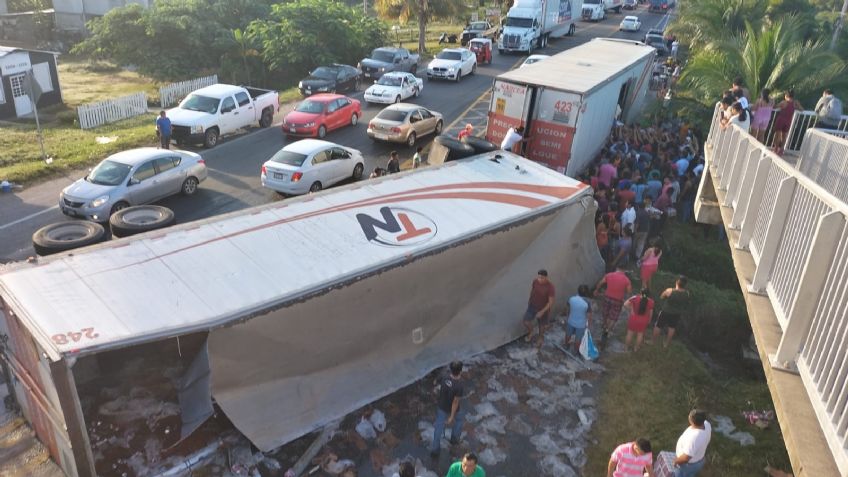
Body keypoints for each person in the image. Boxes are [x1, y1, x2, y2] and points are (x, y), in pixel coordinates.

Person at [430, 361, 465, 456]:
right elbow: (455, 402)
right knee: (459, 421)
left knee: (438, 428)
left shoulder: (444, 376)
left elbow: (435, 382)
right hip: (453, 408)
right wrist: (451, 417)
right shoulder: (459, 385)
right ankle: (454, 440)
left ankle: (435, 450)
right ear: (460, 371)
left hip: (442, 406)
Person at [594, 264, 632, 341]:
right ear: (624, 270)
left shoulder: (609, 275)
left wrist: (596, 290)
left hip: (607, 298)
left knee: (605, 312)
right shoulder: (626, 280)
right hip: (618, 300)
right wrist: (626, 299)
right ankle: (607, 330)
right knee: (613, 317)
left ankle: (604, 325)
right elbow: (629, 292)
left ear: (617, 268)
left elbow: (600, 283)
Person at [653, 275, 691, 348]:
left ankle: (653, 341)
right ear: (685, 285)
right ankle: (666, 344)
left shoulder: (669, 290)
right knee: (672, 328)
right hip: (677, 313)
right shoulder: (687, 293)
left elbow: (661, 297)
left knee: (658, 326)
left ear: (677, 282)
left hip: (666, 311)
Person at [673, 410, 712, 477]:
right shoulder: (706, 424)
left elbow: (686, 458)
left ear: (692, 421)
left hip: (687, 466)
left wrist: (676, 461)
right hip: (698, 460)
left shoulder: (694, 438)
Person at [523, 269, 555, 348]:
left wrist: (542, 312)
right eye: (539, 277)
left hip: (543, 309)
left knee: (542, 325)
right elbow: (533, 290)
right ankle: (531, 331)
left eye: (542, 278)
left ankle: (540, 337)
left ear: (546, 277)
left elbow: (550, 302)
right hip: (532, 306)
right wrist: (530, 300)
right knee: (526, 321)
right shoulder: (535, 281)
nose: (539, 279)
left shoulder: (550, 287)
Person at [563, 285, 593, 353]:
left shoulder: (571, 299)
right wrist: (589, 326)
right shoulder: (587, 303)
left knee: (568, 334)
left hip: (571, 321)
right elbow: (589, 315)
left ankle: (566, 345)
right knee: (578, 339)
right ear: (586, 293)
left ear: (578, 291)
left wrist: (567, 317)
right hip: (581, 324)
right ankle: (576, 351)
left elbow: (567, 309)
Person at [772, 90, 796, 156]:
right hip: (788, 121)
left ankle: (776, 149)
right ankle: (781, 150)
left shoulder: (784, 102)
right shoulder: (794, 103)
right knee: (784, 136)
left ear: (786, 96)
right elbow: (801, 109)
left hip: (781, 119)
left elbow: (774, 107)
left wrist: (773, 100)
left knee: (777, 135)